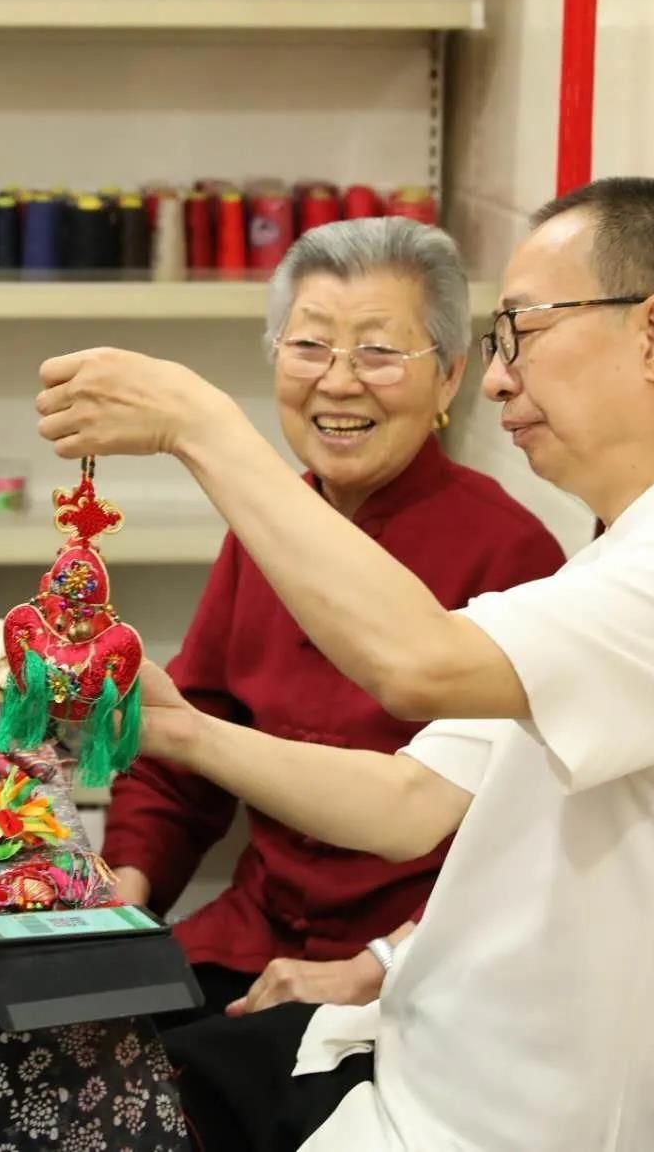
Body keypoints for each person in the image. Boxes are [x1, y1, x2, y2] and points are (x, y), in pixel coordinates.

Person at [35, 178, 654, 1152]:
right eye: (310, 346)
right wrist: (176, 728)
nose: (498, 379)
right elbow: (406, 799)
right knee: (27, 1045)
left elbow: (415, 664)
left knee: (2, 1082)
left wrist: (198, 423)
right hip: (412, 1056)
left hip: (492, 1124)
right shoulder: (636, 556)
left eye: (521, 332)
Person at [100, 217, 565, 1021]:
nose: (339, 383)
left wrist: (383, 967)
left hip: (406, 979)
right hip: (249, 935)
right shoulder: (269, 530)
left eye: (380, 353)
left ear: (451, 378)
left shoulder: (514, 557)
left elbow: (529, 850)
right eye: (310, 347)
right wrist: (125, 887)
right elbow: (192, 733)